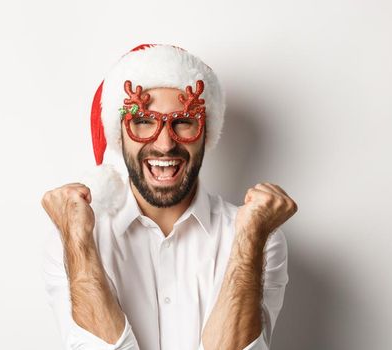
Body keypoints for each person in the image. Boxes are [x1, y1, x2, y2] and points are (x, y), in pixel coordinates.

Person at [40, 44, 298, 350]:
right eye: (144, 122)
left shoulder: (257, 237)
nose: (164, 145)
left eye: (183, 122)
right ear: (119, 135)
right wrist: (78, 241)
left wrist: (252, 238)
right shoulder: (75, 239)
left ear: (205, 133)